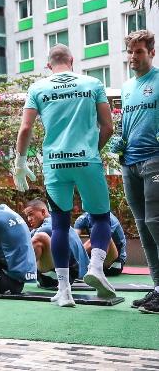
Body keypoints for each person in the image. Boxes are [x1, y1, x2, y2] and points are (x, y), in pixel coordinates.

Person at [13, 43, 116, 305]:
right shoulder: (93, 83)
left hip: (55, 164)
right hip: (87, 160)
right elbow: (108, 127)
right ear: (72, 60)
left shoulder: (38, 88)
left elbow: (25, 129)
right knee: (101, 217)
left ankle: (64, 291)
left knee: (59, 224)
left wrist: (20, 162)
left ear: (49, 65)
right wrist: (91, 152)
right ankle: (95, 266)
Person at [113, 29, 159, 314]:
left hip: (155, 160)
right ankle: (157, 287)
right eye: (130, 51)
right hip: (129, 162)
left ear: (151, 53)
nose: (133, 56)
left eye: (138, 51)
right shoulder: (128, 87)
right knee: (143, 226)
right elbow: (125, 121)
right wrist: (120, 141)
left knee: (156, 222)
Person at [23, 199, 89, 298]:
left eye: (31, 214)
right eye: (27, 216)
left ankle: (18, 275)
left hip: (63, 277)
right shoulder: (57, 223)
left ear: (43, 212)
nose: (29, 219)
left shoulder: (48, 226)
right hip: (76, 274)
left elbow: (27, 244)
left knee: (39, 239)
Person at [74, 211, 126, 276]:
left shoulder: (110, 219)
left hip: (114, 261)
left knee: (103, 234)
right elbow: (74, 239)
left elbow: (98, 240)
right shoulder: (83, 218)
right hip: (94, 253)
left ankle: (92, 267)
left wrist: (75, 257)